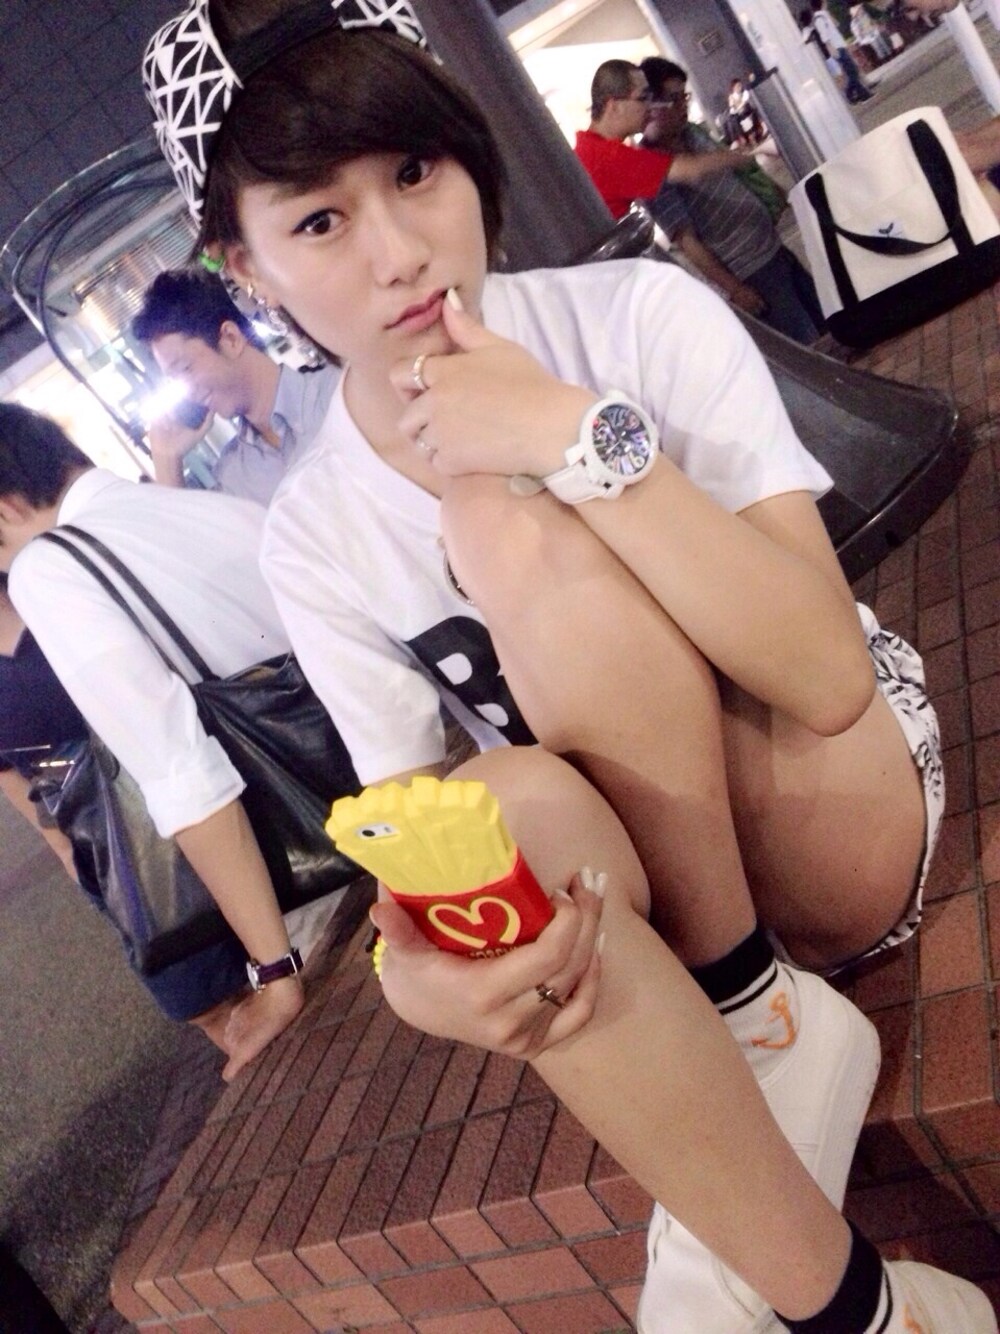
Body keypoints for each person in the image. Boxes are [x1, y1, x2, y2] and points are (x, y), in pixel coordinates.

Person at [142, 3, 994, 1332]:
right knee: (497, 811)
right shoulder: (312, 530)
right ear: (244, 266)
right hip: (633, 891)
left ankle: (752, 1007)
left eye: (414, 170)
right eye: (318, 221)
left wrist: (566, 435)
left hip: (827, 801)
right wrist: (421, 978)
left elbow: (826, 678)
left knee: (496, 516)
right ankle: (865, 1312)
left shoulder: (634, 317)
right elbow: (416, 825)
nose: (399, 251)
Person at [0, 403, 343, 1074]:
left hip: (300, 882)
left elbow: (181, 770)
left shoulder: (48, 568)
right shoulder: (215, 510)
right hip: (385, 810)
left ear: (7, 506)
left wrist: (275, 971)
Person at [641, 57, 824, 343]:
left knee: (827, 324)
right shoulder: (650, 170)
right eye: (674, 99)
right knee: (810, 345)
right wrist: (735, 289)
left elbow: (738, 173)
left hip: (773, 248)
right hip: (750, 272)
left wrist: (769, 193)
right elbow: (687, 242)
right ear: (651, 106)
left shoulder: (692, 132)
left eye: (684, 97)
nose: (683, 106)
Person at [132, 269, 337, 503]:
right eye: (175, 378)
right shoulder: (233, 477)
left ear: (231, 338)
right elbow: (193, 529)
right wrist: (167, 463)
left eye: (185, 368)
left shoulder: (340, 394)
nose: (188, 392)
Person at [574, 58, 755, 220]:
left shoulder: (589, 149)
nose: (650, 106)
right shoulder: (608, 157)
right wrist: (744, 157)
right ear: (613, 106)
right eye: (643, 98)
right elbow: (691, 170)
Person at [0, 576, 85, 882]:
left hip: (165, 779)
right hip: (92, 827)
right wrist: (65, 850)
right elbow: (8, 772)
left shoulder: (49, 588)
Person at [801, 0, 874, 103]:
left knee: (852, 71)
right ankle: (857, 94)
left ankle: (854, 94)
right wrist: (832, 50)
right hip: (836, 48)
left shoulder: (823, 15)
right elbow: (825, 37)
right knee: (852, 71)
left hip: (840, 45)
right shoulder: (819, 18)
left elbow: (836, 25)